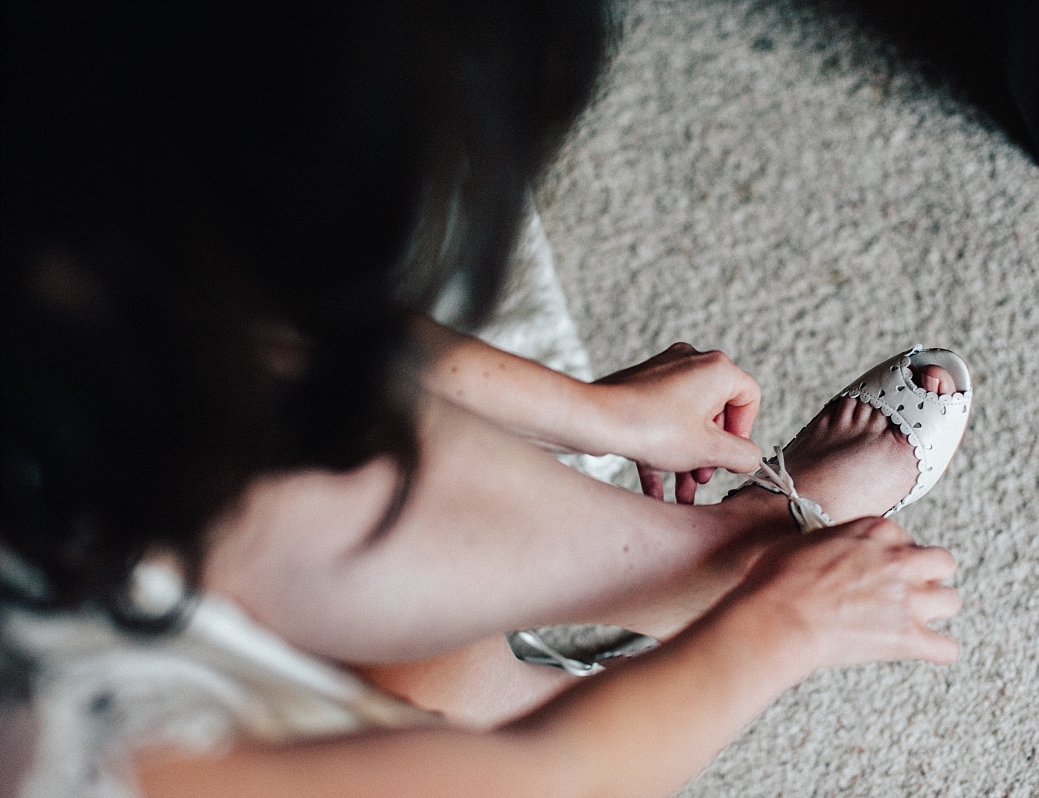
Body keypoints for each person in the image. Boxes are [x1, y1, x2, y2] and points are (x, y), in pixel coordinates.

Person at [1, 3, 965, 797]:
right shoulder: (60, 741)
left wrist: (600, 415)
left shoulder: (53, 215)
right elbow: (535, 782)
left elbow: (262, 338)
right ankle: (680, 596)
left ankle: (686, 562)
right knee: (423, 701)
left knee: (295, 440)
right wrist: (783, 625)